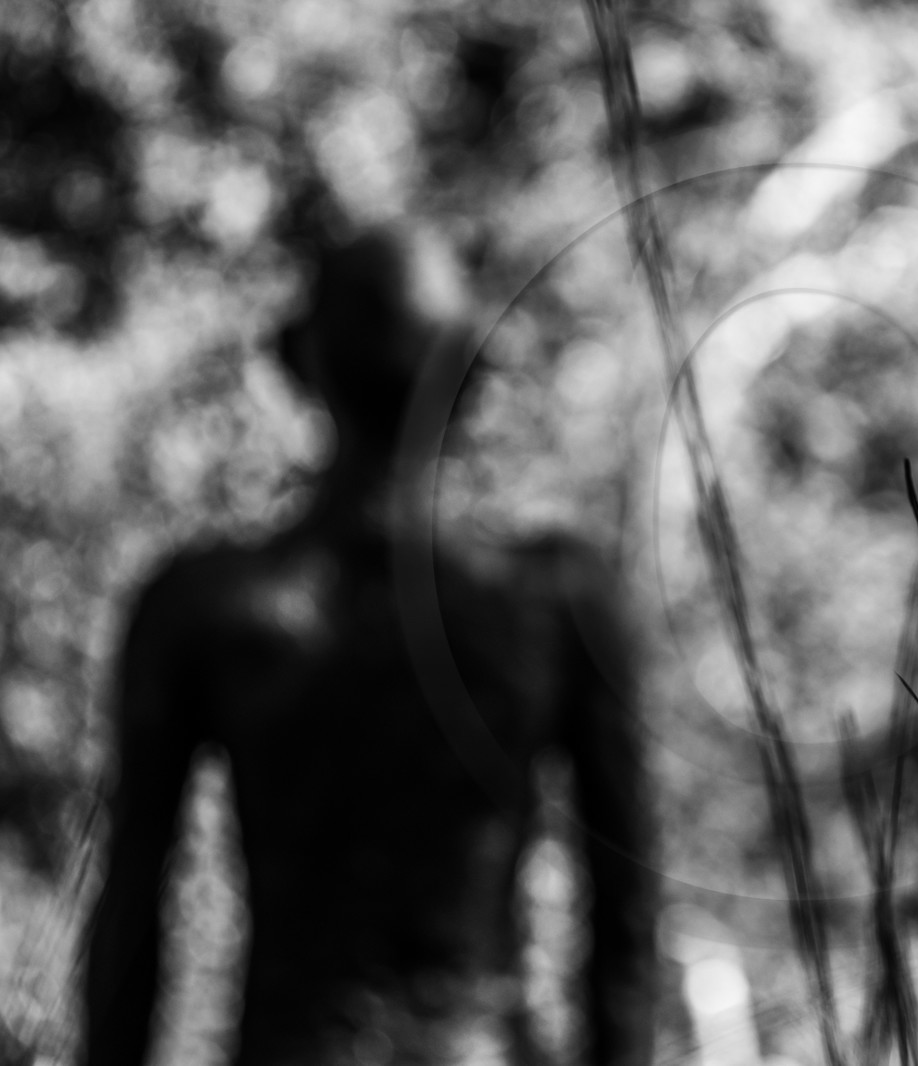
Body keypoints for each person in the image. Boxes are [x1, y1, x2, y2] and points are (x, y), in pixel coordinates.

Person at [83, 227, 657, 1066]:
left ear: (297, 368)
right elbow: (625, 925)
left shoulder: (204, 608)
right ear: (471, 378)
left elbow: (132, 911)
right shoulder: (557, 603)